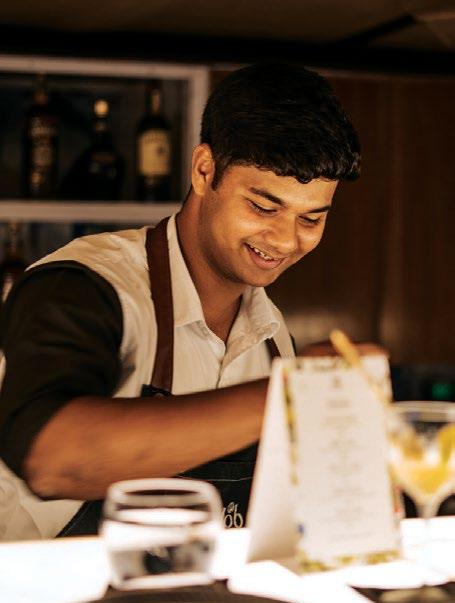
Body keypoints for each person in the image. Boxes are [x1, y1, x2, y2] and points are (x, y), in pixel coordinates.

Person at [0, 63, 360, 540]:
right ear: (204, 170)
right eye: (263, 207)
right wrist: (289, 396)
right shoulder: (81, 286)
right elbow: (51, 459)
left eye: (310, 219)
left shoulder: (273, 337)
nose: (285, 239)